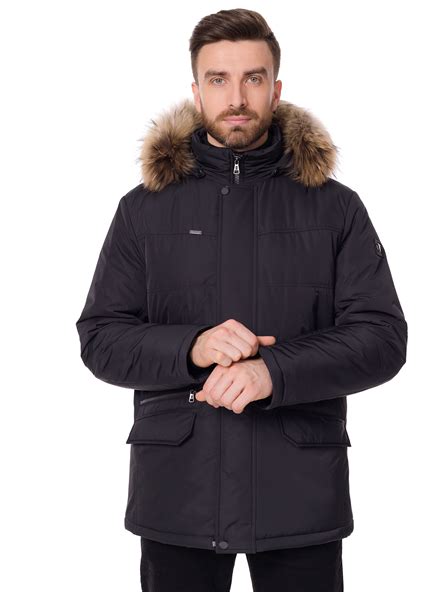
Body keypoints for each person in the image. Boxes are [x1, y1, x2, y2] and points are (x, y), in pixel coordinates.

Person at [75, 8, 408, 592]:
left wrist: (272, 372)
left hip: (298, 494)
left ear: (275, 89)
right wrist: (192, 347)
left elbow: (381, 338)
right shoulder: (143, 209)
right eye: (219, 79)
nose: (236, 98)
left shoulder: (335, 207)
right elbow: (101, 338)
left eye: (253, 78)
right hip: (179, 494)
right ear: (196, 90)